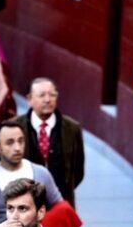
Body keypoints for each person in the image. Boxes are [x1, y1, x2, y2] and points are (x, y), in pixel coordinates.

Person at [0, 121, 63, 227]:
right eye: (10, 143)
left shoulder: (41, 173)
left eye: (21, 141)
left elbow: (60, 210)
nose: (17, 148)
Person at [12, 78, 84, 207]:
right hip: (24, 205)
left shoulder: (73, 128)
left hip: (61, 204)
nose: (47, 99)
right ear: (29, 99)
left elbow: (78, 171)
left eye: (52, 95)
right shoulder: (13, 127)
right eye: (42, 95)